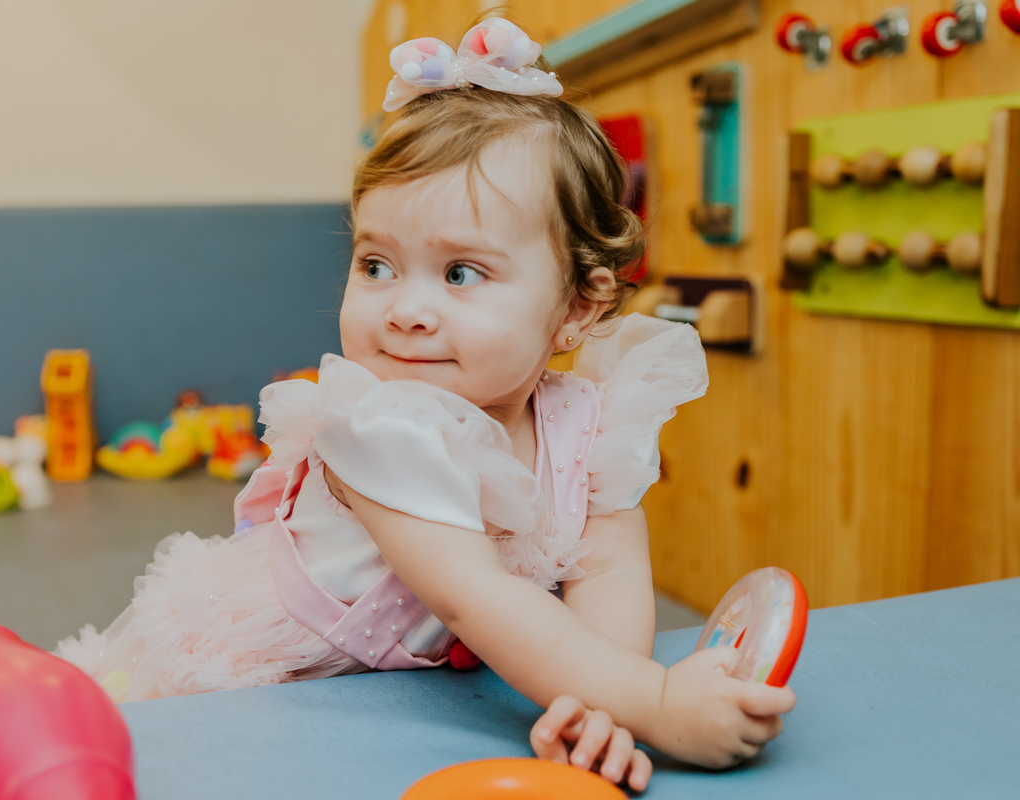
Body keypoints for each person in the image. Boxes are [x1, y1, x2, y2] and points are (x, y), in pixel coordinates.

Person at [56, 17, 795, 789]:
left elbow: (606, 566)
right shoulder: (381, 427)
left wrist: (606, 698)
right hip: (272, 679)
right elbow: (476, 596)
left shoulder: (588, 421)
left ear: (578, 306)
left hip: (393, 698)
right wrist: (660, 701)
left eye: (461, 274)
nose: (405, 309)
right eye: (376, 264)